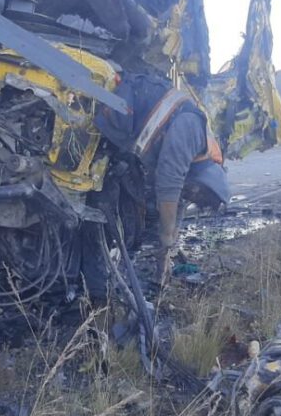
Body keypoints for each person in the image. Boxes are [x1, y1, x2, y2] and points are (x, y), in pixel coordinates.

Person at [92, 73, 230, 289]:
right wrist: (166, 235)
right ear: (203, 183)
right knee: (104, 203)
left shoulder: (196, 165)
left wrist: (165, 256)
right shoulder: (192, 131)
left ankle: (109, 271)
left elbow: (178, 205)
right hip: (115, 112)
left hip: (124, 136)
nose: (190, 197)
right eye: (196, 195)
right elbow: (169, 187)